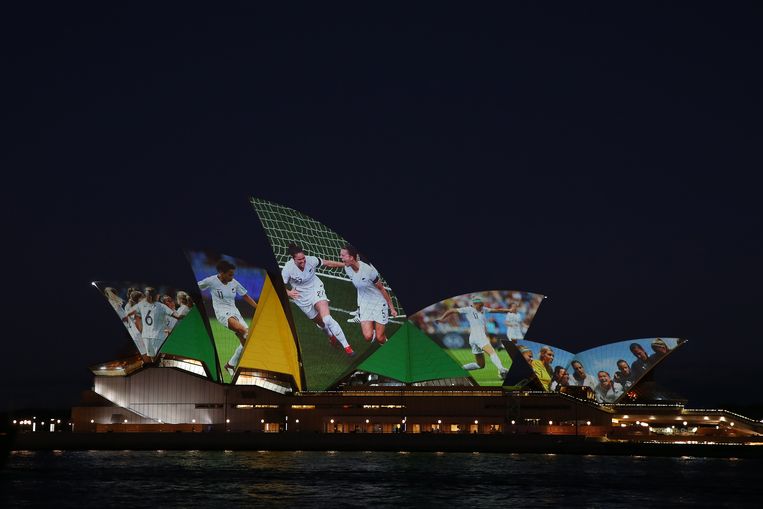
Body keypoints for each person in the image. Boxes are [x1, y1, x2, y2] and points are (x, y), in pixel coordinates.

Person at [282, 243, 354, 356]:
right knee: (321, 322)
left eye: (303, 258)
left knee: (327, 319)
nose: (303, 261)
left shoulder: (311, 260)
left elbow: (327, 263)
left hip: (316, 288)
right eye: (299, 260)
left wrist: (345, 265)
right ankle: (331, 336)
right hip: (301, 298)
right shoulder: (287, 269)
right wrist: (289, 293)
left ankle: (347, 347)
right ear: (293, 259)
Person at [198, 260, 258, 375]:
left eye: (233, 274)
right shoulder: (211, 281)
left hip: (235, 312)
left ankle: (230, 364)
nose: (232, 277)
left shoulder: (234, 282)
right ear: (221, 273)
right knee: (244, 331)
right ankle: (252, 362)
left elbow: (245, 295)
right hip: (222, 313)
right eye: (230, 274)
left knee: (247, 339)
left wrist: (257, 307)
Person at [436, 296, 510, 379]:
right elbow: (452, 310)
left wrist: (509, 310)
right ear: (475, 304)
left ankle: (458, 369)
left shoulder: (484, 309)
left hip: (473, 338)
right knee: (492, 352)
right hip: (479, 337)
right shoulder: (468, 309)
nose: (482, 306)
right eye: (480, 304)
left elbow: (497, 310)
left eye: (482, 304)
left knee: (480, 365)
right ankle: (502, 370)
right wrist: (442, 318)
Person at [336, 244, 397, 344]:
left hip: (378, 302)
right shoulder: (347, 268)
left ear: (351, 257)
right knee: (368, 337)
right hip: (365, 304)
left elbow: (382, 289)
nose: (340, 257)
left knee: (380, 338)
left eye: (343, 255)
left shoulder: (369, 271)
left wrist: (392, 308)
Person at [125, 287, 185, 359]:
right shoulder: (161, 306)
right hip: (158, 336)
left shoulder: (141, 305)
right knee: (163, 359)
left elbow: (128, 314)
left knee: (153, 359)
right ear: (156, 296)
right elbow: (178, 316)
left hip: (146, 337)